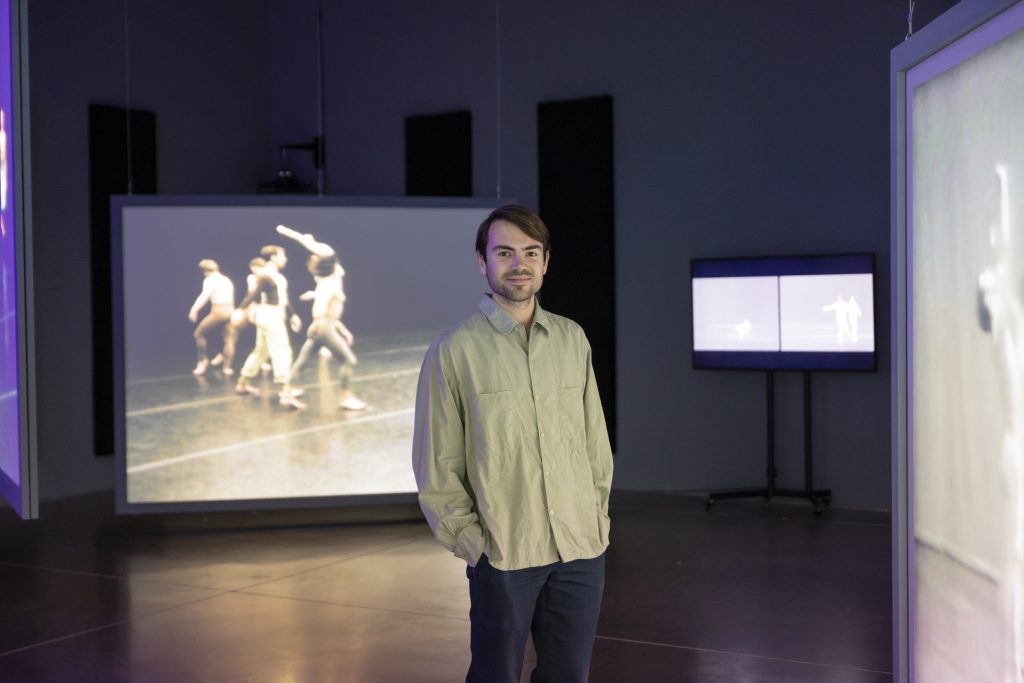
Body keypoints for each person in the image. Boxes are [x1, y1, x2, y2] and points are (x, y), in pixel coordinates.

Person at [412, 204, 613, 683]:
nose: (518, 264)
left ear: (546, 261)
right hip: (504, 552)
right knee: (495, 675)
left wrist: (596, 516)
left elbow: (594, 441)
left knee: (570, 676)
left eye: (530, 252)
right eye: (504, 252)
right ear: (482, 262)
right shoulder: (454, 349)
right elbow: (436, 460)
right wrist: (474, 544)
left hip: (579, 548)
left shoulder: (571, 339)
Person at [288, 252, 367, 411]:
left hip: (324, 324)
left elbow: (331, 311)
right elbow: (321, 307)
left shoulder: (326, 283)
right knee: (349, 361)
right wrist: (317, 322)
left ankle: (287, 393)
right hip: (323, 326)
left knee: (302, 360)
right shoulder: (329, 284)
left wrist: (342, 329)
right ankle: (345, 397)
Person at [233, 254, 304, 409]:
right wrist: (241, 309)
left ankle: (242, 383)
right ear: (273, 257)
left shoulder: (276, 277)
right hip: (270, 315)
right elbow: (254, 294)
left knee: (261, 351)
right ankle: (284, 391)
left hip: (272, 314)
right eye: (282, 256)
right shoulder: (266, 275)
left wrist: (292, 315)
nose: (285, 258)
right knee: (281, 350)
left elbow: (283, 299)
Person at [187, 259, 235, 376]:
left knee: (198, 334)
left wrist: (194, 309)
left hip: (219, 311)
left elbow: (204, 296)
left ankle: (202, 361)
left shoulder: (209, 280)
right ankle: (227, 367)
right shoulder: (226, 279)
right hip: (230, 310)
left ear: (205, 271)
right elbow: (232, 297)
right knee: (228, 339)